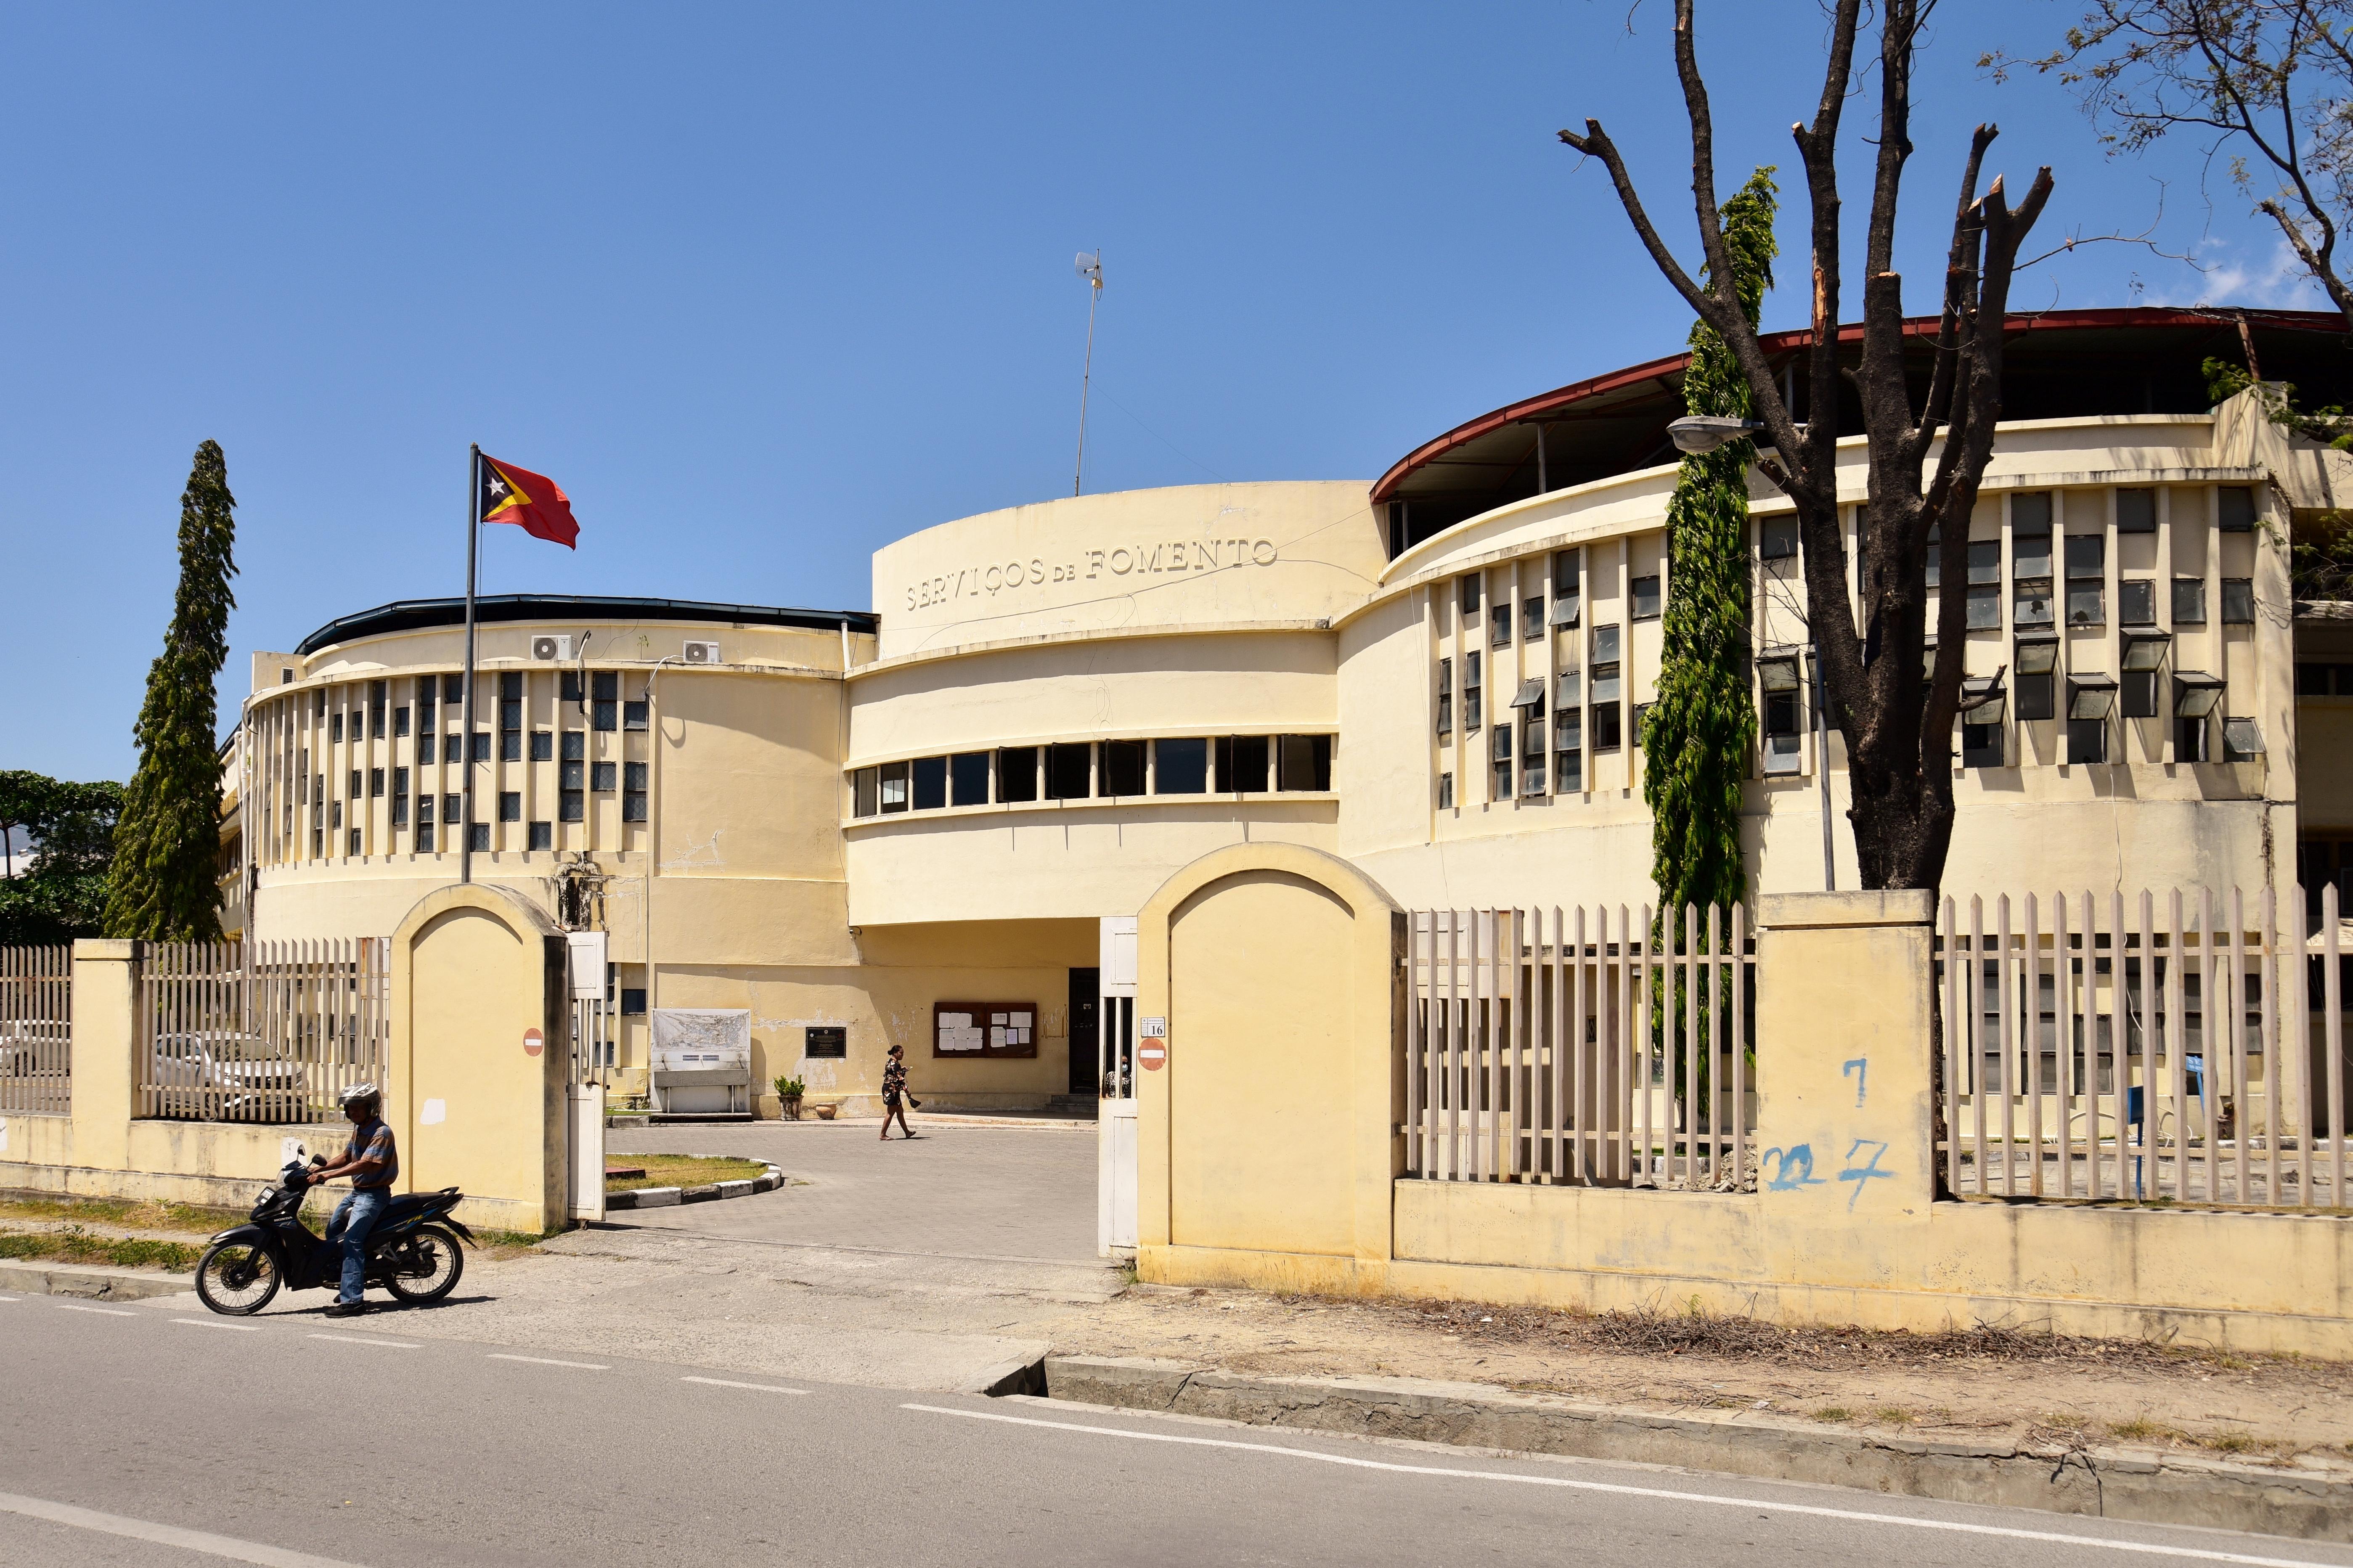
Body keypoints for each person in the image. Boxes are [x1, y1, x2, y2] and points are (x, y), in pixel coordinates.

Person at [307, 1083, 399, 1317]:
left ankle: (353, 1302)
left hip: (374, 1195)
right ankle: (350, 1282)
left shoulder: (382, 1133)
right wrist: (316, 1170)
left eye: (359, 1108)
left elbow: (364, 1164)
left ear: (372, 1107)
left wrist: (326, 1176)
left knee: (352, 1242)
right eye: (350, 1108)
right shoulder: (360, 1129)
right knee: (333, 1232)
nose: (353, 1112)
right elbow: (348, 1156)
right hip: (358, 1192)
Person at [880, 1043, 917, 1140]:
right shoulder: (895, 1064)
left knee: (900, 1111)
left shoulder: (890, 1062)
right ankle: (883, 1135)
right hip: (892, 1090)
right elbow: (899, 1079)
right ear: (896, 1053)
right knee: (890, 1112)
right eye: (901, 1053)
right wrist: (907, 1091)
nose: (902, 1055)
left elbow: (894, 1075)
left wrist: (902, 1070)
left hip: (891, 1089)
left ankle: (907, 1133)